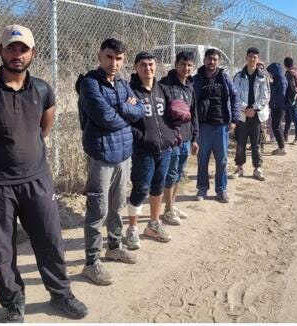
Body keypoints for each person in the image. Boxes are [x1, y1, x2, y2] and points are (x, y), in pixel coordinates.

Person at [0, 25, 88, 322]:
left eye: (23, 49)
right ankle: (14, 303)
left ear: (33, 53)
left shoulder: (42, 89)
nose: (17, 54)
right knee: (3, 248)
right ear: (0, 51)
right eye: (11, 48)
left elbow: (44, 128)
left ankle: (61, 294)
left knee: (50, 239)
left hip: (37, 179)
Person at [74, 38, 144, 285]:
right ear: (99, 55)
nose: (113, 63)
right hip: (101, 156)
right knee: (98, 209)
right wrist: (126, 110)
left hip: (124, 154)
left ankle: (114, 246)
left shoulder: (123, 84)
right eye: (109, 57)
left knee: (117, 205)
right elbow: (104, 117)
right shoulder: (90, 84)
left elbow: (140, 110)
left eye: (119, 59)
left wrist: (123, 109)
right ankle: (92, 262)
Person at [124, 51, 178, 249]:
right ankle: (132, 229)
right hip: (144, 150)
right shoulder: (130, 92)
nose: (148, 68)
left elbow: (172, 115)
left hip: (164, 149)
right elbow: (126, 120)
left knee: (158, 186)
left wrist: (173, 135)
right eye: (143, 65)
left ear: (156, 66)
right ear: (136, 68)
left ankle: (154, 224)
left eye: (151, 64)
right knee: (140, 188)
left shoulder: (161, 89)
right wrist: (143, 138)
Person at [193, 48, 240, 203]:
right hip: (204, 126)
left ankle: (221, 189)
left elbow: (234, 97)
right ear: (204, 60)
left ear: (218, 61)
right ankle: (202, 189)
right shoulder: (197, 78)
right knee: (202, 159)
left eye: (214, 59)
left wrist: (234, 119)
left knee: (222, 160)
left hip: (221, 126)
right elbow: (191, 101)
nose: (211, 62)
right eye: (209, 59)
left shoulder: (224, 77)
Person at [159, 51, 199, 225]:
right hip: (172, 139)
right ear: (176, 64)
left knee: (178, 174)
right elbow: (159, 113)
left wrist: (195, 138)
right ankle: (167, 211)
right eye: (183, 64)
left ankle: (172, 206)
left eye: (190, 65)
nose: (186, 68)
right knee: (170, 174)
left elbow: (193, 113)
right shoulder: (164, 85)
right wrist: (166, 134)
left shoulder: (190, 86)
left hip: (187, 137)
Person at [229, 47, 270, 181]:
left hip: (257, 115)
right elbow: (235, 94)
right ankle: (239, 167)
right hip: (242, 115)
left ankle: (257, 168)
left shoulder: (263, 77)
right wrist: (245, 108)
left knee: (256, 143)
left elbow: (265, 95)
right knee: (240, 142)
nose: (252, 59)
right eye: (250, 56)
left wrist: (255, 109)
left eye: (255, 57)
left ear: (258, 59)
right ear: (246, 58)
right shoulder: (238, 76)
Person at [266, 62, 288, 155]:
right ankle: (281, 146)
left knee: (276, 126)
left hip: (279, 107)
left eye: (270, 72)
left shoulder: (281, 80)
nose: (269, 74)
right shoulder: (278, 79)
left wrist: (274, 103)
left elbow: (281, 94)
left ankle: (282, 148)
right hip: (278, 106)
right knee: (276, 126)